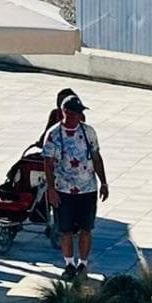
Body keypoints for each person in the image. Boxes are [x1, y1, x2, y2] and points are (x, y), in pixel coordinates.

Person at [41, 96, 108, 281]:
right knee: (66, 230)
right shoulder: (54, 135)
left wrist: (103, 182)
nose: (80, 116)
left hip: (87, 189)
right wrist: (51, 189)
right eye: (77, 113)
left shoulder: (88, 132)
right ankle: (69, 263)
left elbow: (96, 157)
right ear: (67, 113)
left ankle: (83, 264)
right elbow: (47, 164)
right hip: (64, 189)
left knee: (86, 228)